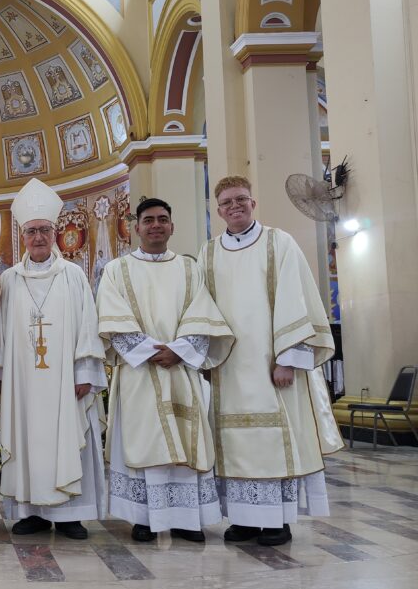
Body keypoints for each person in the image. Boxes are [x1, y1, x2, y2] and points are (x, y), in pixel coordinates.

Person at [199, 177, 343, 546]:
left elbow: (296, 299)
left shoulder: (279, 243)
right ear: (218, 211)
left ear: (253, 203)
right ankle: (245, 519)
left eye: (241, 200)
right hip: (228, 367)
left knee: (274, 440)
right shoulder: (209, 252)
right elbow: (200, 307)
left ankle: (278, 520)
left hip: (271, 365)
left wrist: (288, 359)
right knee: (234, 443)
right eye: (227, 202)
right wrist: (203, 354)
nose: (235, 207)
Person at [97, 198, 234, 542]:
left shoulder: (190, 269)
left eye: (162, 220)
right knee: (143, 441)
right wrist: (148, 351)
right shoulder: (118, 270)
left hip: (180, 371)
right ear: (135, 228)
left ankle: (188, 520)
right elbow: (112, 317)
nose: (155, 225)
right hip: (138, 374)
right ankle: (144, 518)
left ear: (172, 226)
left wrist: (179, 351)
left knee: (185, 444)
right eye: (148, 220)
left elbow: (203, 313)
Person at [0, 179, 107, 538]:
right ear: (22, 235)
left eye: (44, 230)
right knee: (26, 442)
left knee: (68, 435)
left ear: (55, 233)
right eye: (31, 231)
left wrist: (85, 370)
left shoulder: (73, 276)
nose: (38, 237)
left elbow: (87, 326)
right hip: (22, 383)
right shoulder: (10, 279)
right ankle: (30, 511)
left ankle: (70, 515)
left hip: (66, 380)